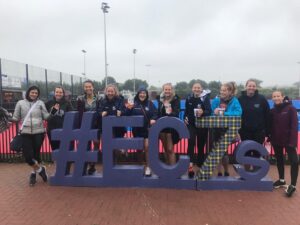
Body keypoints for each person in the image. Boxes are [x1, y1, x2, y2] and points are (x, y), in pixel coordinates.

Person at [12, 86, 58, 186]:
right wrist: (8, 117)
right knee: (28, 157)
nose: (34, 94)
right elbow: (15, 118)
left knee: (35, 155)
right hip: (25, 132)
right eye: (32, 92)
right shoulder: (20, 103)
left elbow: (46, 117)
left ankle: (33, 173)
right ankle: (41, 170)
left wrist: (53, 111)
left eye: (36, 93)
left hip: (39, 132)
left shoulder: (40, 103)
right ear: (28, 93)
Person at [269, 91, 298, 197]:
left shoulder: (291, 109)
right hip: (276, 140)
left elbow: (294, 126)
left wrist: (293, 142)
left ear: (282, 97)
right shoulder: (272, 111)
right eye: (274, 96)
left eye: (278, 96)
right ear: (272, 98)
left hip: (289, 141)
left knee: (294, 161)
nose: (276, 98)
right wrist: (269, 136)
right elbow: (270, 125)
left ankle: (293, 185)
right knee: (279, 160)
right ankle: (281, 180)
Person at [211, 82, 242, 176]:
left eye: (224, 90)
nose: (222, 92)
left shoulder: (235, 101)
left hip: (228, 129)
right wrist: (215, 113)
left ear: (230, 91)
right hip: (216, 129)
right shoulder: (216, 101)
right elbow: (211, 114)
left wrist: (224, 113)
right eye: (221, 90)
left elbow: (238, 112)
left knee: (223, 151)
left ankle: (226, 170)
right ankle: (220, 171)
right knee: (217, 151)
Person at [238, 79, 270, 169]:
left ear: (256, 87)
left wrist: (267, 132)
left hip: (259, 132)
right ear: (246, 87)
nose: (251, 87)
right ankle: (247, 175)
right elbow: (236, 115)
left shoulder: (262, 99)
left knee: (257, 153)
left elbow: (267, 115)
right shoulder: (240, 99)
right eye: (249, 86)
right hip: (244, 132)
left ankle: (256, 174)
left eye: (253, 86)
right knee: (246, 153)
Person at [126, 87, 157, 176]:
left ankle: (148, 167)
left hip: (147, 130)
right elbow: (127, 114)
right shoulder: (133, 103)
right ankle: (139, 167)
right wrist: (128, 108)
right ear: (138, 94)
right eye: (141, 93)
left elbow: (155, 113)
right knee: (139, 149)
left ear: (146, 95)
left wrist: (153, 119)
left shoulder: (150, 104)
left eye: (144, 93)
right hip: (136, 130)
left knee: (147, 147)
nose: (142, 95)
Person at [184, 82, 211, 178]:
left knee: (201, 145)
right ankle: (190, 166)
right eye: (195, 88)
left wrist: (203, 112)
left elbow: (209, 111)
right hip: (191, 124)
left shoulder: (205, 98)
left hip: (202, 125)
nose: (196, 89)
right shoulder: (189, 97)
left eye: (198, 88)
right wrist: (185, 118)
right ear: (192, 89)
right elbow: (186, 111)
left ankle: (200, 166)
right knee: (190, 142)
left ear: (201, 89)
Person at [77, 80, 101, 175]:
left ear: (93, 87)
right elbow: (78, 113)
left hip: (96, 125)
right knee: (84, 145)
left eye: (89, 86)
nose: (88, 88)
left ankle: (92, 165)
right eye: (86, 87)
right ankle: (84, 165)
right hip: (84, 126)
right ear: (84, 88)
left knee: (96, 144)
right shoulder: (80, 99)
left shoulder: (99, 98)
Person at [97, 84, 126, 161]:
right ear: (106, 92)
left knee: (117, 148)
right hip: (106, 129)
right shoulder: (102, 101)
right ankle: (109, 164)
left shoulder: (120, 100)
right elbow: (99, 111)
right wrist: (101, 113)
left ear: (115, 92)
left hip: (118, 128)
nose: (110, 93)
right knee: (107, 147)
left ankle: (117, 162)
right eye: (108, 91)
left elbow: (124, 110)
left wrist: (121, 112)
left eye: (112, 91)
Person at [157, 83, 180, 165]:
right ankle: (167, 167)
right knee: (166, 149)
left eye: (169, 89)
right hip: (162, 126)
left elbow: (176, 113)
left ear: (172, 90)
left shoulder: (176, 99)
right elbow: (159, 112)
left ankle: (173, 168)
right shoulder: (160, 99)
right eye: (166, 89)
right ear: (163, 90)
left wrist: (170, 113)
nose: (167, 91)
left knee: (170, 149)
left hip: (172, 126)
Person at [45, 86, 73, 150]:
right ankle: (55, 160)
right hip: (51, 129)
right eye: (57, 92)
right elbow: (45, 115)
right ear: (54, 93)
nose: (58, 94)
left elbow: (71, 115)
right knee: (54, 148)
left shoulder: (67, 103)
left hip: (63, 129)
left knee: (63, 148)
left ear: (63, 93)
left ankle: (63, 160)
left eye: (60, 92)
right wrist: (53, 110)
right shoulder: (49, 103)